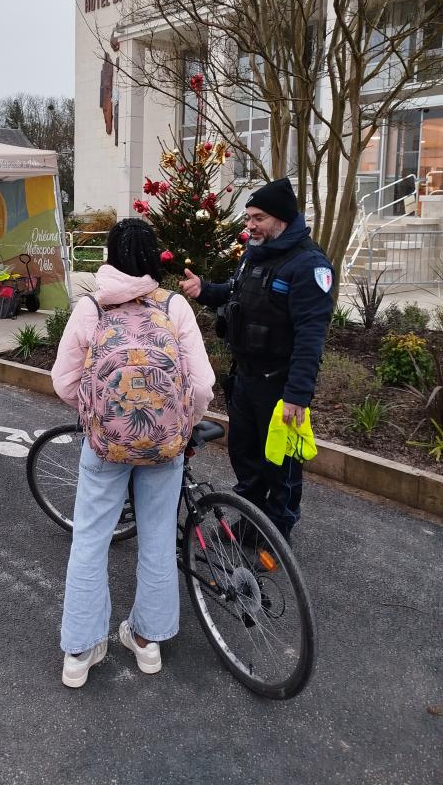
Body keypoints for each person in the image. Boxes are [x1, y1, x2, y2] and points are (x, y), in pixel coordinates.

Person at [51, 218, 214, 688]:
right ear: (155, 257)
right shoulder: (174, 305)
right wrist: (182, 422)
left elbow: (63, 383)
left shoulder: (91, 309)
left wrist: (97, 409)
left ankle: (79, 652)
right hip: (165, 446)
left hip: (105, 446)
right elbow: (201, 384)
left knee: (89, 539)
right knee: (159, 538)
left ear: (110, 255)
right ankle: (147, 642)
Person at [179, 177, 334, 543]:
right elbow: (236, 297)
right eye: (248, 217)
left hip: (280, 387)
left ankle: (277, 537)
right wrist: (205, 291)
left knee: (280, 466)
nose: (249, 225)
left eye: (258, 218)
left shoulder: (308, 266)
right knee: (245, 458)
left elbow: (311, 336)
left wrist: (298, 395)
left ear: (280, 219)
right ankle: (249, 524)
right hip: (246, 380)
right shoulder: (254, 255)